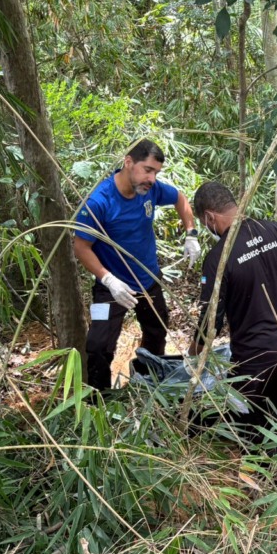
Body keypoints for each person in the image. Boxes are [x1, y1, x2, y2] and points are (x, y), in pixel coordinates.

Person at [188, 181, 277, 443]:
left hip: (253, 356)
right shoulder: (276, 231)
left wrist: (194, 355)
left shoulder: (217, 259)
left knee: (249, 417)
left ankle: (262, 460)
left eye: (203, 223)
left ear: (209, 217)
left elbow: (211, 321)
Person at [73, 140, 200, 390]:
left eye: (156, 173)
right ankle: (100, 400)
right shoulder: (99, 201)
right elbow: (81, 247)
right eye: (147, 170)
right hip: (111, 288)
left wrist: (191, 233)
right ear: (128, 162)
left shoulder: (150, 189)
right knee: (98, 346)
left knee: (156, 332)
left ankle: (148, 386)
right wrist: (108, 279)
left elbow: (180, 199)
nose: (152, 179)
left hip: (148, 280)